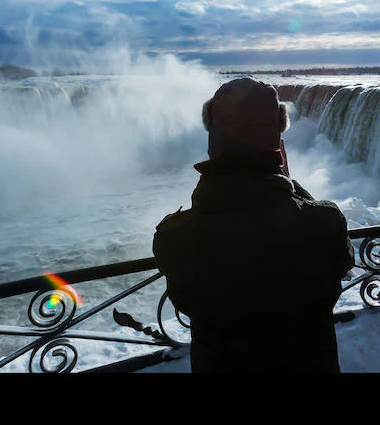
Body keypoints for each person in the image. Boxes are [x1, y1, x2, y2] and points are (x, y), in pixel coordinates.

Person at [152, 77, 355, 373]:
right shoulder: (324, 224)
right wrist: (289, 184)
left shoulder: (176, 239)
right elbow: (340, 264)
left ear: (214, 142)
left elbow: (185, 302)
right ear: (276, 146)